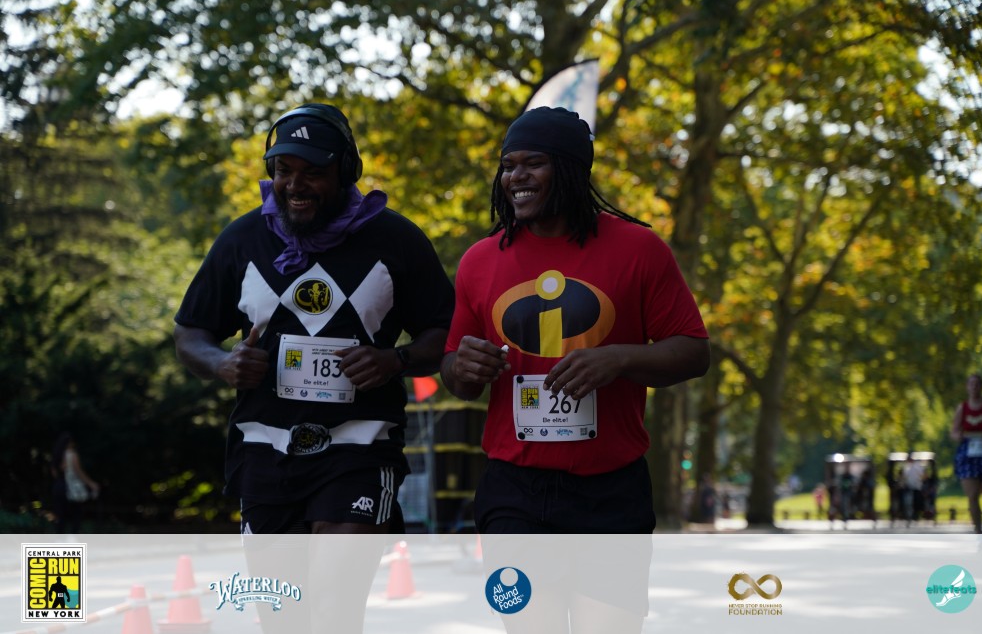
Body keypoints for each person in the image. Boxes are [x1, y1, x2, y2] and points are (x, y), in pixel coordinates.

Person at [173, 103, 454, 632]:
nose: (294, 186)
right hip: (264, 450)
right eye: (283, 171)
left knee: (332, 608)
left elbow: (445, 332)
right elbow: (190, 333)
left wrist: (394, 360)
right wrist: (223, 364)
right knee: (283, 618)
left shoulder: (395, 240)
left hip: (360, 447)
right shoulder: (242, 240)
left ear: (346, 172)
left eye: (313, 173)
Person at [441, 107, 710, 632]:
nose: (515, 177)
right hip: (513, 493)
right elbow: (457, 373)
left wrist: (620, 357)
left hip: (610, 493)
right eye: (508, 165)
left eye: (533, 163)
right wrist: (463, 366)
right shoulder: (479, 260)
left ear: (569, 168)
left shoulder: (639, 249)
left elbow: (693, 351)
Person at [949, 372, 982, 533]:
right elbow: (954, 431)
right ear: (967, 387)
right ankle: (978, 533)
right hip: (968, 453)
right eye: (971, 384)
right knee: (972, 495)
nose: (974, 387)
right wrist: (958, 436)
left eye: (977, 384)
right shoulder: (962, 408)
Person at [50, 432, 100, 534]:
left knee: (60, 516)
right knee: (76, 515)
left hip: (58, 487)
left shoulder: (57, 455)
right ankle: (73, 538)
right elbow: (78, 471)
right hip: (71, 488)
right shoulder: (72, 455)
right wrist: (91, 483)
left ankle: (60, 539)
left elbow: (54, 473)